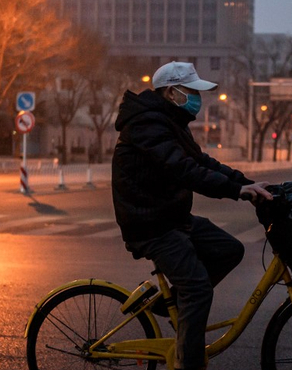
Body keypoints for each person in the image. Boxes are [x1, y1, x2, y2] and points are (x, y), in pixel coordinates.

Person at [111, 61, 272, 370]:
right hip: (149, 223)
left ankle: (170, 305)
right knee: (197, 288)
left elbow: (202, 161)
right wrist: (234, 191)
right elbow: (184, 169)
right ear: (172, 93)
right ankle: (190, 363)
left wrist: (246, 183)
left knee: (229, 250)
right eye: (192, 92)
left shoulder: (170, 121)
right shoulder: (148, 123)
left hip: (170, 217)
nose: (199, 98)